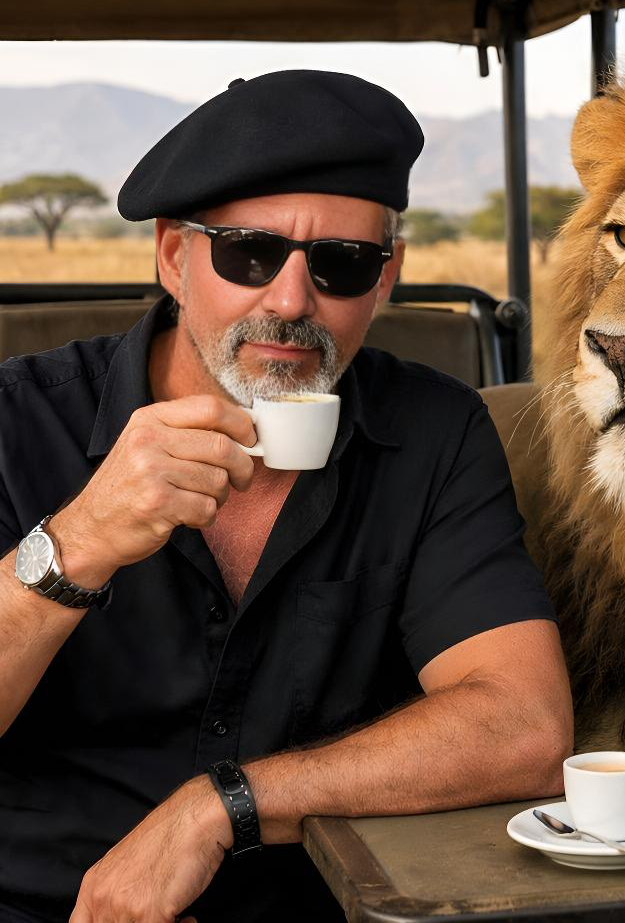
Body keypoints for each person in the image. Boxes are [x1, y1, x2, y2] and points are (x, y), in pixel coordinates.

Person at [0, 70, 573, 923]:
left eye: (342, 265)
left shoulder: (433, 432)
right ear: (173, 257)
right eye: (249, 253)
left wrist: (221, 809)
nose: (291, 301)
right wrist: (77, 542)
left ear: (386, 281)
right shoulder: (17, 420)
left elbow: (525, 726)